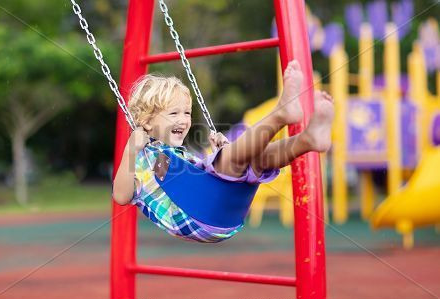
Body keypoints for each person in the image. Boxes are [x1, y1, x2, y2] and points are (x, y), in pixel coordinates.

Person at [112, 60, 334, 243]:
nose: (183, 120)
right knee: (232, 159)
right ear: (146, 122)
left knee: (259, 160)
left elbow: (197, 178)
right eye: (173, 114)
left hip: (224, 211)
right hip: (199, 215)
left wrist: (218, 151)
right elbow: (121, 196)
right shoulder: (141, 159)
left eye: (187, 113)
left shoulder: (174, 156)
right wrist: (130, 150)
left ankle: (307, 140)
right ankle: (281, 114)